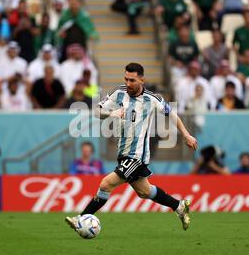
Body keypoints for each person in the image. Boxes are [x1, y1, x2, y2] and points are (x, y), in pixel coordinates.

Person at [65, 63, 198, 233]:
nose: (128, 83)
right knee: (144, 191)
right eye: (126, 79)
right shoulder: (118, 93)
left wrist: (186, 135)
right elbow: (97, 111)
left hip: (137, 155)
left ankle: (81, 219)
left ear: (142, 79)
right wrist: (110, 113)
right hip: (123, 152)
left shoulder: (153, 99)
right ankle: (179, 206)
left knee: (106, 184)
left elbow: (173, 115)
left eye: (132, 80)